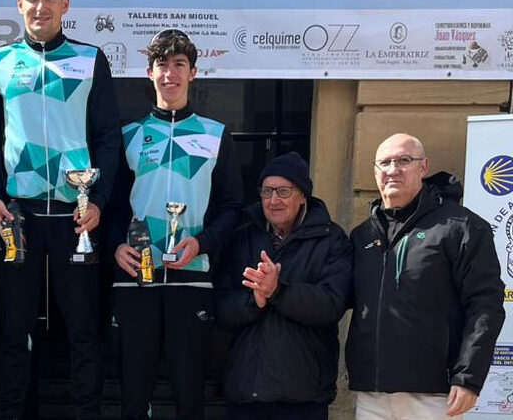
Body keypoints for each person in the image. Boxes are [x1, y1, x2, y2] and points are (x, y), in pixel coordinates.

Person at [0, 0, 120, 418]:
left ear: (65, 4)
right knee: (15, 331)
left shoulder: (90, 59)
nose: (41, 7)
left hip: (78, 216)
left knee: (82, 331)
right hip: (18, 215)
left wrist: (97, 201)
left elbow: (108, 137)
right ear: (19, 4)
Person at [111, 29, 243, 420]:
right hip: (137, 277)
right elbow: (112, 206)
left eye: (179, 65)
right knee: (133, 396)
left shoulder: (215, 135)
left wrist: (201, 244)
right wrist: (116, 245)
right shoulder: (128, 135)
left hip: (192, 278)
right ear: (148, 72)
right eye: (162, 65)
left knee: (190, 398)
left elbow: (233, 207)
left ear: (194, 72)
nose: (170, 74)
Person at [346, 133, 505, 420]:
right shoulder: (362, 236)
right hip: (371, 393)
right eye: (385, 163)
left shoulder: (462, 226)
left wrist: (468, 378)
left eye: (404, 161)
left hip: (433, 395)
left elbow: (485, 305)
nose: (393, 170)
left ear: (424, 167)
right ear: (375, 171)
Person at [214, 152, 352, 420]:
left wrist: (278, 291)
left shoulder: (332, 239)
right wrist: (254, 301)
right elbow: (219, 307)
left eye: (284, 191)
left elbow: (331, 304)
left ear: (303, 196)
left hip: (303, 396)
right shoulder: (242, 236)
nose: (274, 200)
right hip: (245, 393)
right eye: (267, 191)